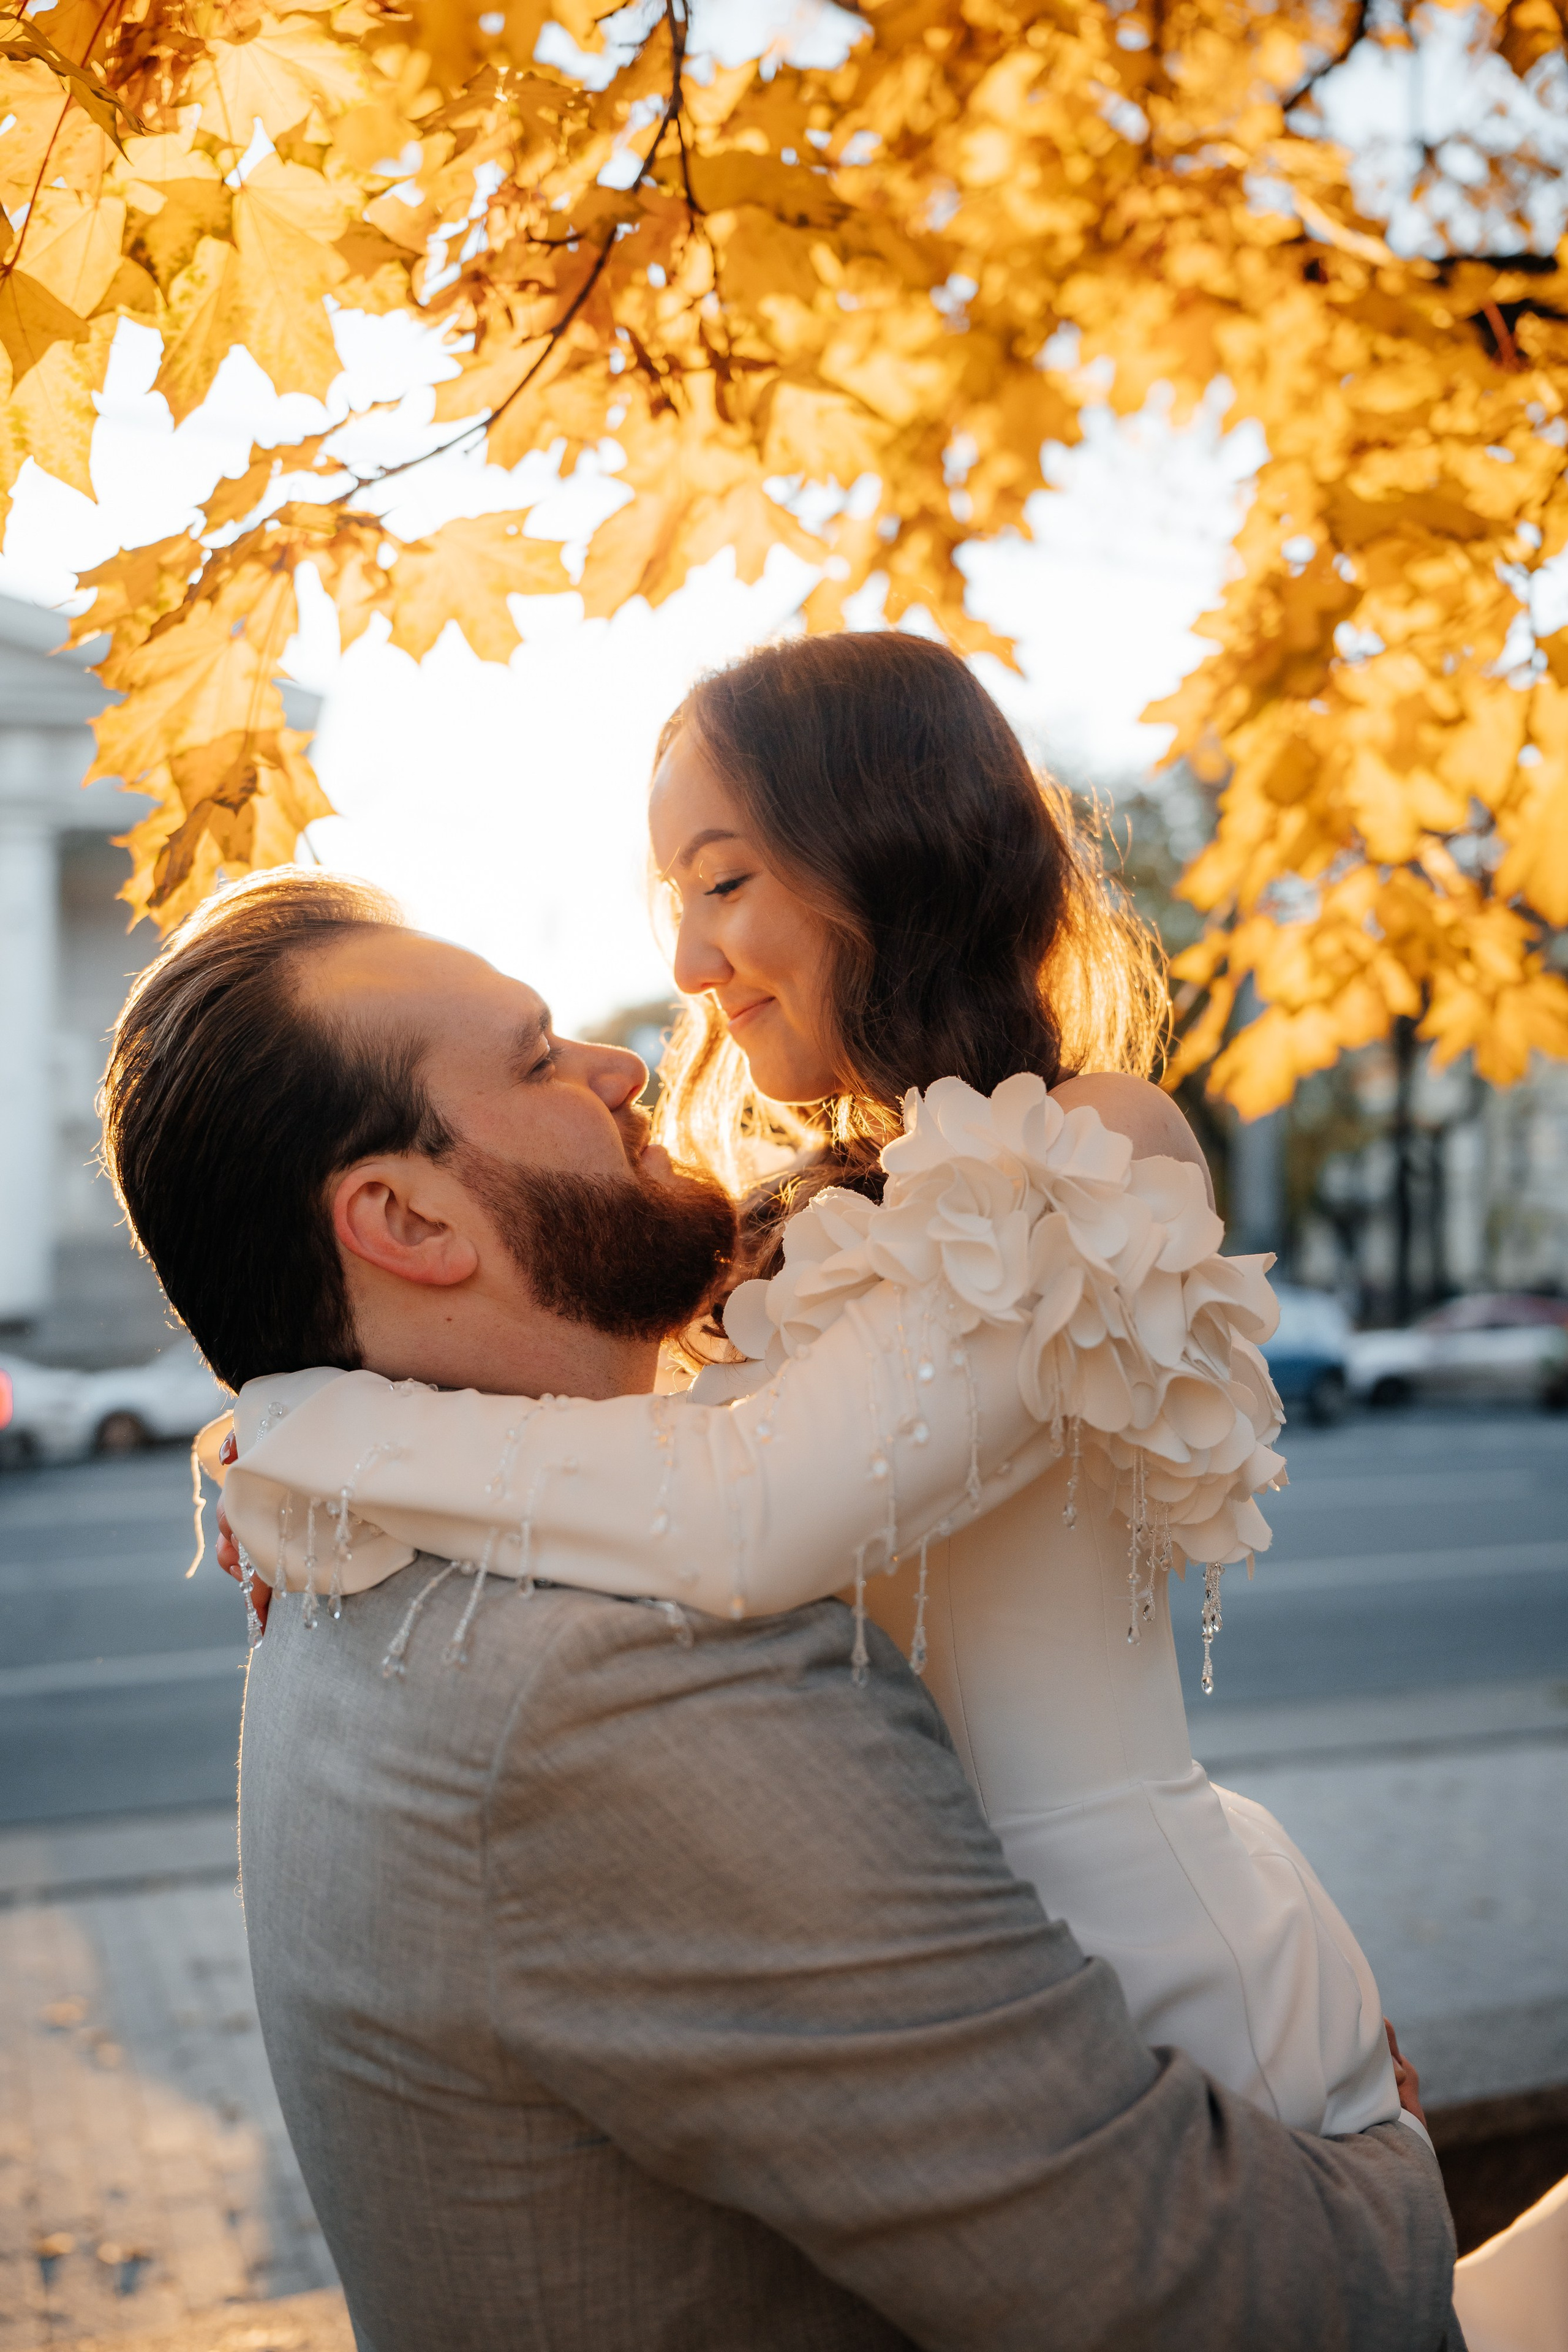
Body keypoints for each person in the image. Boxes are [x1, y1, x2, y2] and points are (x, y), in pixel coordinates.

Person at [100, 865, 1460, 2350]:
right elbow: (1203, 2298)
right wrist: (1376, 2147)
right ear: (409, 1224)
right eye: (539, 1058)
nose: (624, 1062)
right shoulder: (631, 1688)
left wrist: (284, 1434)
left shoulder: (356, 1566)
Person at [232, 636, 1402, 2139]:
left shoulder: (1091, 1143)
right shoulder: (803, 1211)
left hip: (1166, 2000)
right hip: (925, 1992)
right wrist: (314, 1486)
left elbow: (748, 1522)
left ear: (890, 850)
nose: (686, 967)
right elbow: (605, 1490)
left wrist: (312, 1427)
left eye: (723, 884)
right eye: (674, 902)